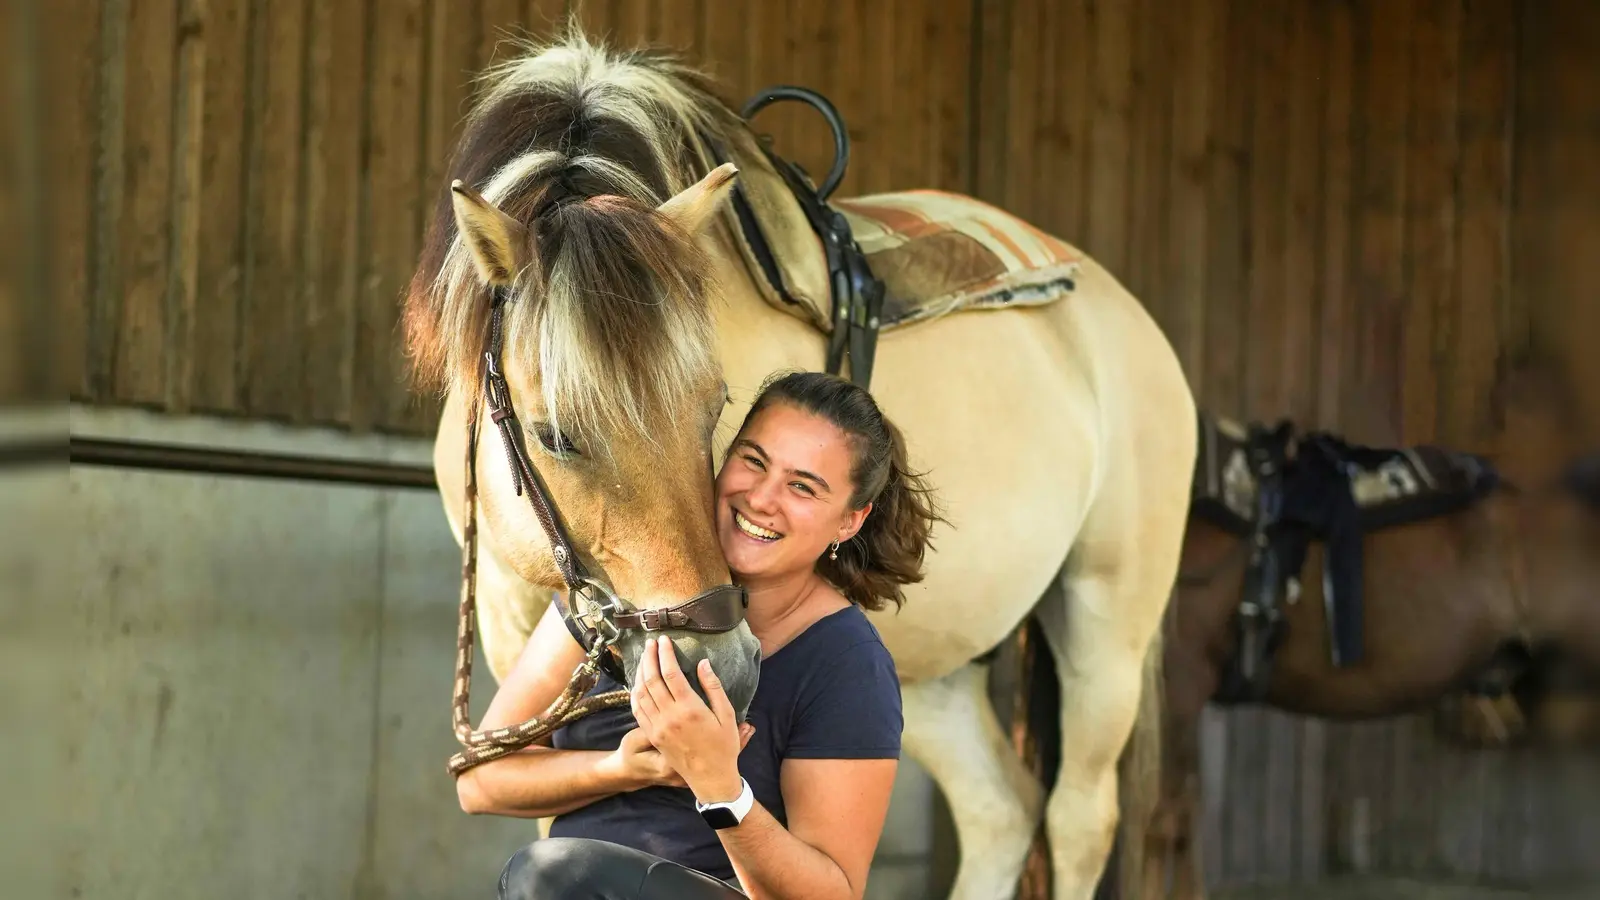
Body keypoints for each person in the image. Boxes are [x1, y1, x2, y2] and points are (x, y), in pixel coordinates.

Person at [455, 370, 946, 900]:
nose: (761, 497)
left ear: (850, 521)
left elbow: (831, 892)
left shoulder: (846, 663)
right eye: (753, 461)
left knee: (548, 874)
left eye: (802, 487)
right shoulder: (611, 593)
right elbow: (480, 782)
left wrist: (720, 788)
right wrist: (624, 768)